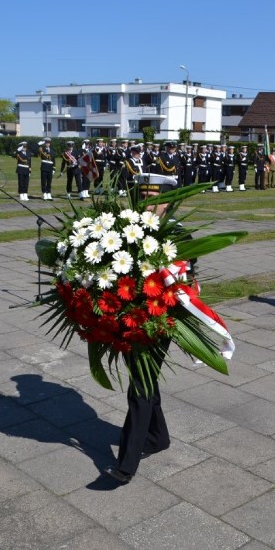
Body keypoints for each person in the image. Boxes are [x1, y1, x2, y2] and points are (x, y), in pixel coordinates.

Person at [102, 172, 179, 485]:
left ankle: (126, 465)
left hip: (159, 322)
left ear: (168, 202)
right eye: (143, 198)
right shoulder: (127, 232)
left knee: (140, 389)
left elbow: (179, 285)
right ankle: (158, 438)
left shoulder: (178, 236)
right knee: (146, 385)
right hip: (130, 320)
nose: (148, 205)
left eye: (155, 200)